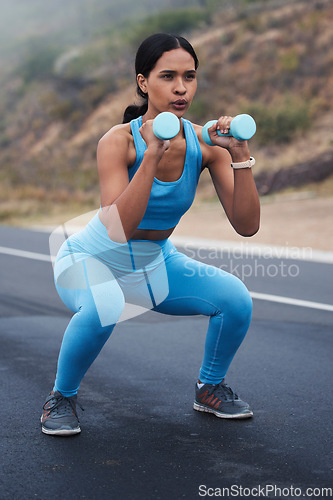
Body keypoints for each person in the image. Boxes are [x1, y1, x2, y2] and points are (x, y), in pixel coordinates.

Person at [41, 33, 260, 436]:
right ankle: (61, 397)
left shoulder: (204, 144)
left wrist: (240, 155)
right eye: (168, 76)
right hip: (91, 259)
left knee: (235, 299)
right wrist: (151, 156)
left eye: (190, 77)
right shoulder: (118, 141)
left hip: (154, 262)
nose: (180, 88)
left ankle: (209, 388)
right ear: (144, 82)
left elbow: (247, 226)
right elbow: (117, 228)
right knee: (104, 304)